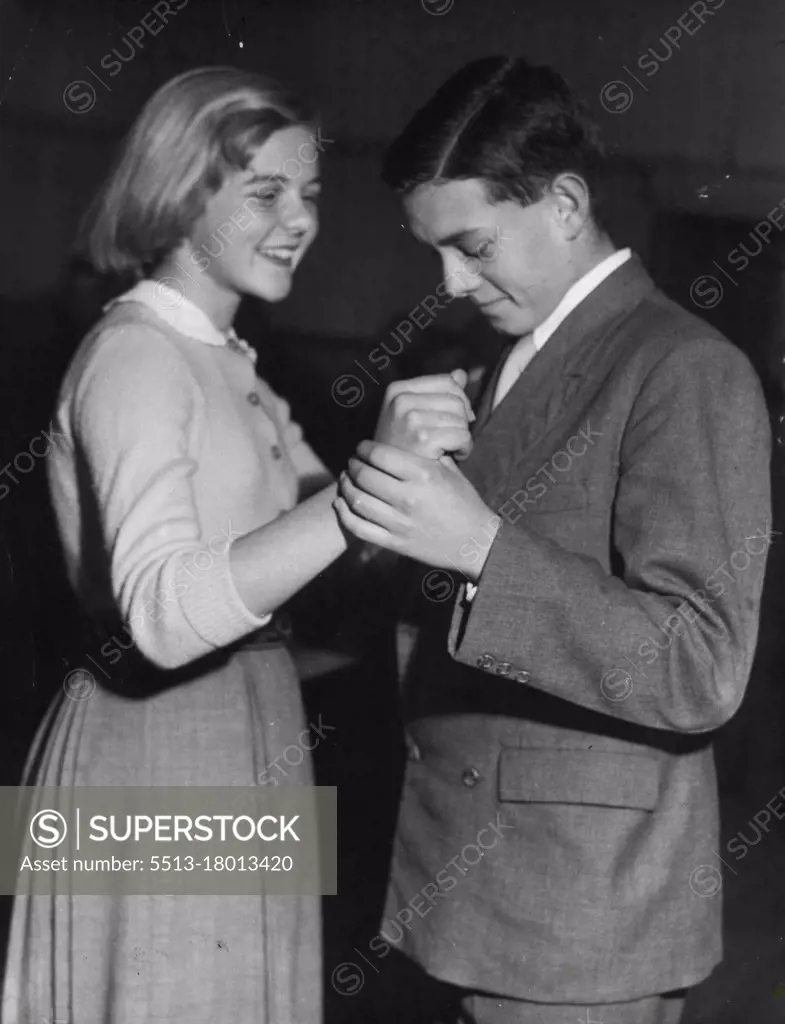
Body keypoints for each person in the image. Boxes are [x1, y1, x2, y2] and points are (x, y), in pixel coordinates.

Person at [0, 66, 473, 1024]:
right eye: (264, 192)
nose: (298, 218)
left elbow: (334, 564)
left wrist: (419, 476)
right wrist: (363, 485)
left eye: (308, 193)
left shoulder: (232, 362)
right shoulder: (134, 355)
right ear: (178, 192)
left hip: (249, 726)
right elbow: (166, 619)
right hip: (149, 743)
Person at [336, 56, 773, 1024]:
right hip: (466, 891)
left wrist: (482, 546)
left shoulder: (685, 368)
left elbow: (701, 664)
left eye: (472, 245)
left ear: (565, 203)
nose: (448, 282)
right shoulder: (497, 364)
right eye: (434, 252)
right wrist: (390, 497)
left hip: (576, 930)